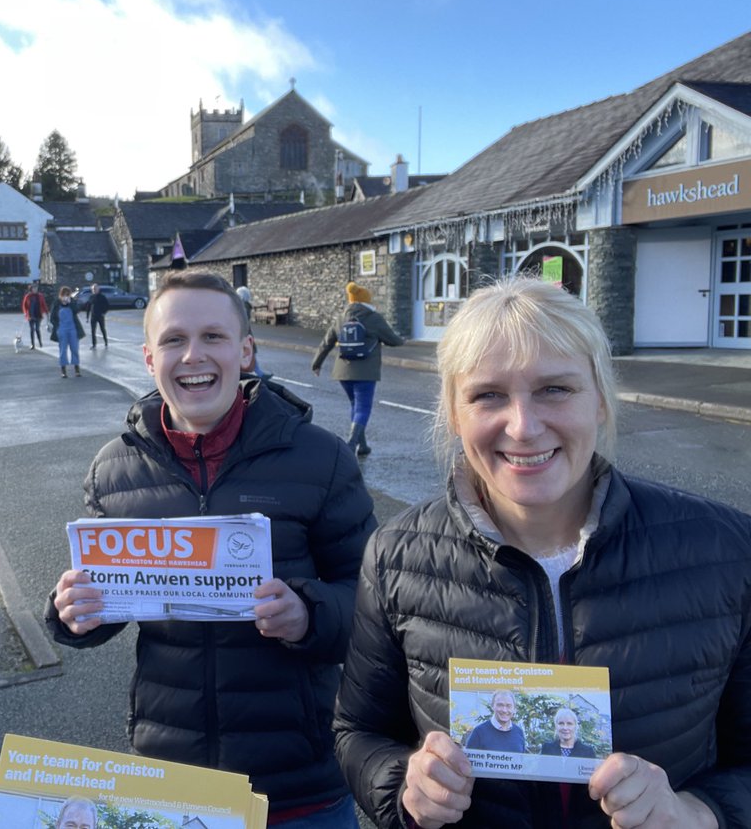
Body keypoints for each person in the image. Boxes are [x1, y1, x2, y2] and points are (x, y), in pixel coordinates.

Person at [332, 275, 751, 829]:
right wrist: (405, 787)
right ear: (455, 414)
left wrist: (699, 814)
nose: (524, 427)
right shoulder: (396, 556)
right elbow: (358, 733)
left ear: (600, 398)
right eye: (488, 395)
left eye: (556, 389)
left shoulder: (725, 549)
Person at [46, 269, 377, 826]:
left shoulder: (322, 460)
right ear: (149, 358)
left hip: (298, 782)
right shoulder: (114, 468)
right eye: (174, 340)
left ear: (245, 351)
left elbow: (375, 608)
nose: (193, 355)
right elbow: (109, 598)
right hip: (175, 778)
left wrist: (308, 613)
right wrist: (72, 612)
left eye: (214, 337)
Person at [310, 281, 404, 457]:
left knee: (355, 404)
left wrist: (316, 364)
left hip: (343, 371)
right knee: (363, 407)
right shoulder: (373, 318)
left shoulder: (341, 318)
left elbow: (326, 342)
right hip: (366, 371)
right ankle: (352, 443)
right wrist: (404, 340)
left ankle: (363, 446)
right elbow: (393, 340)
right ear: (366, 301)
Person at [49, 285, 84, 377]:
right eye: (64, 294)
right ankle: (63, 369)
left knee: (74, 348)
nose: (66, 296)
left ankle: (76, 368)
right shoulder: (57, 303)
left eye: (68, 295)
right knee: (63, 350)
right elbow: (52, 317)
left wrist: (71, 303)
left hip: (72, 329)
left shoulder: (72, 302)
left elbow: (77, 310)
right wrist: (57, 326)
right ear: (61, 295)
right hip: (62, 329)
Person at [22, 282, 48, 349]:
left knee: (37, 329)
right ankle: (32, 344)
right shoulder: (27, 296)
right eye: (34, 288)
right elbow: (24, 306)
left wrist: (46, 312)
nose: (35, 289)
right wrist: (25, 313)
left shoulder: (40, 296)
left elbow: (43, 304)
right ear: (31, 289)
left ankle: (40, 342)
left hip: (38, 314)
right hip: (30, 315)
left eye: (36, 288)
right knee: (31, 330)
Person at [86, 283, 109, 349]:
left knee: (102, 329)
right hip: (93, 316)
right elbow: (88, 307)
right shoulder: (91, 297)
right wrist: (87, 317)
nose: (94, 290)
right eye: (93, 289)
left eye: (95, 289)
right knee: (93, 331)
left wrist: (103, 313)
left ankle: (105, 341)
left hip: (100, 316)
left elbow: (107, 305)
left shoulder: (102, 297)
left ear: (98, 289)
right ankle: (94, 344)